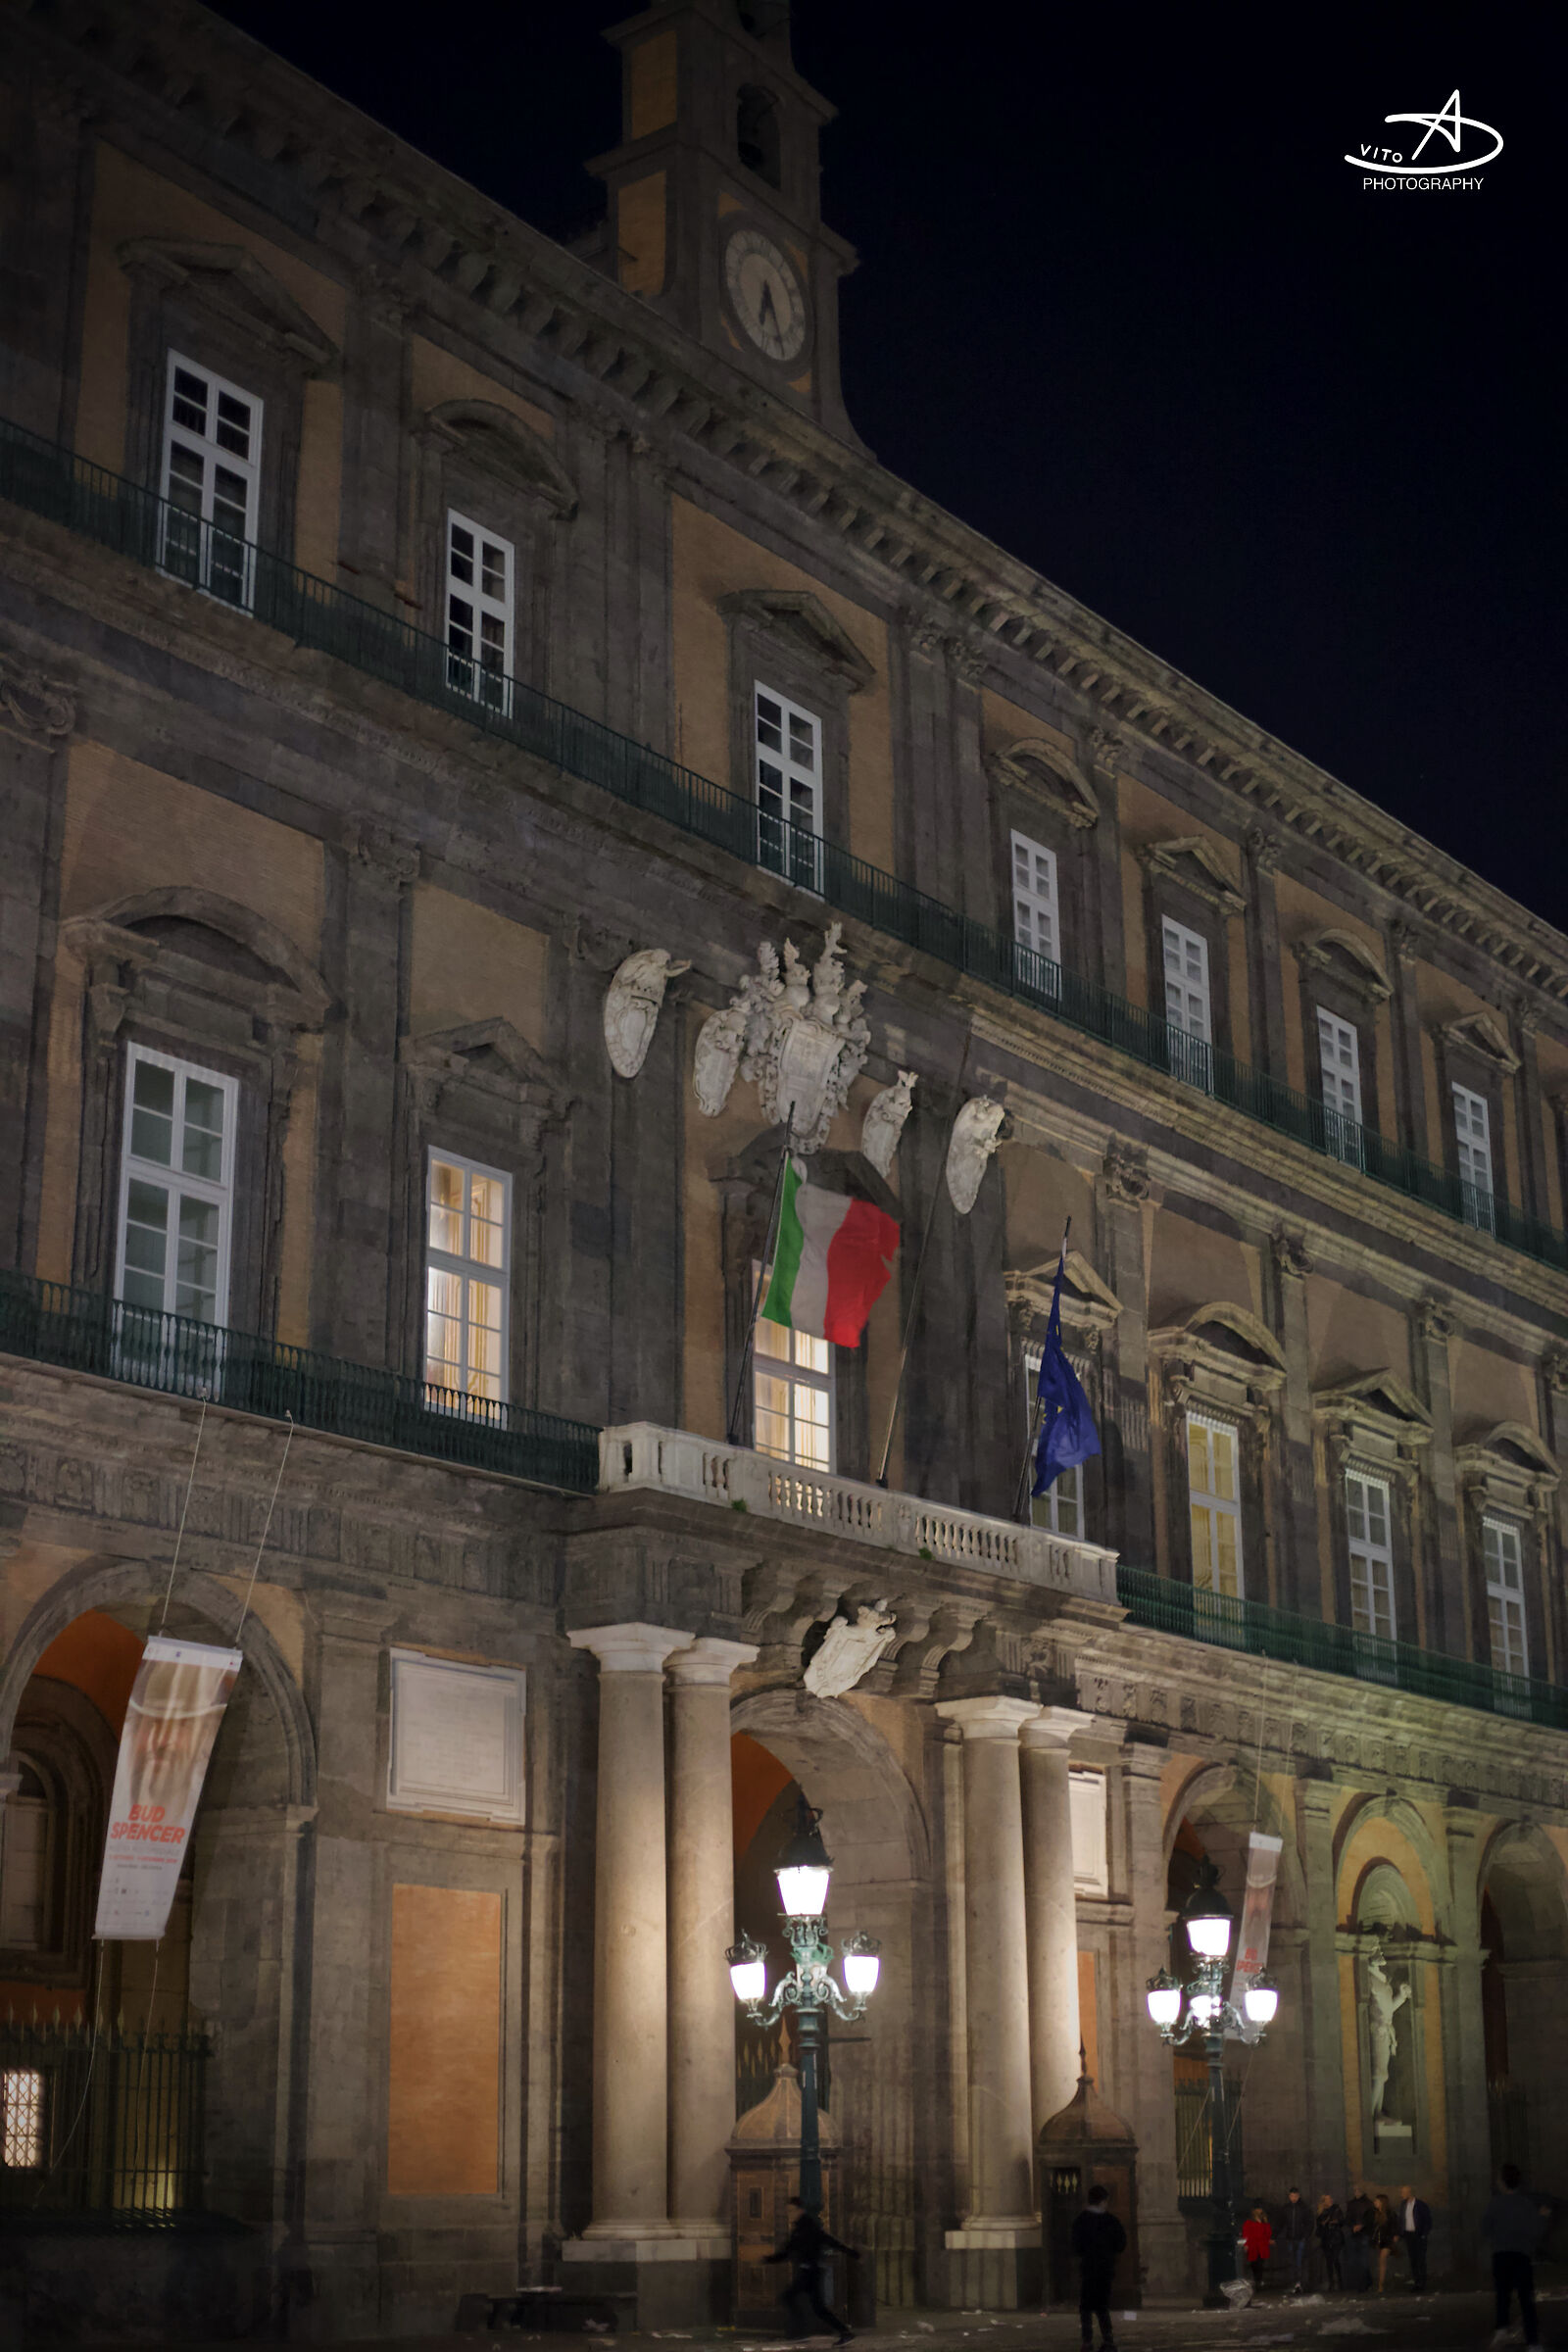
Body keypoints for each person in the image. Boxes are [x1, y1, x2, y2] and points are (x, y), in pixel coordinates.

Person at [764, 2196, 858, 2345]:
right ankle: (844, 2332)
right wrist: (768, 2259)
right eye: (787, 2211)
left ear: (800, 2210)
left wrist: (851, 2252)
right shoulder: (799, 2229)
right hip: (808, 2272)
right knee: (818, 2308)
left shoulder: (809, 2227)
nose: (789, 2213)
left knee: (790, 2297)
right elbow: (788, 2251)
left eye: (791, 2210)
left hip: (811, 2272)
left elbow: (829, 2240)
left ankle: (801, 2331)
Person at [1482, 2161, 1550, 2352]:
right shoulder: (1526, 2204)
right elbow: (1536, 2232)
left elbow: (1485, 2228)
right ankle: (1533, 2342)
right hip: (1522, 2255)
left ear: (1502, 2182)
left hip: (1501, 2254)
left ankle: (1501, 2330)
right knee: (1526, 2299)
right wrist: (1543, 2216)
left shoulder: (1495, 2204)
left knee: (1503, 2296)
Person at [1070, 2181, 1127, 2352]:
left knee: (1086, 2307)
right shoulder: (1111, 2221)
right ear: (1103, 2201)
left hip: (1088, 2268)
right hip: (1105, 2268)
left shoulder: (1081, 2221)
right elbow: (1121, 2244)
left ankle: (1087, 2341)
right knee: (1102, 2306)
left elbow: (1076, 2246)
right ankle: (1108, 2340)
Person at [1398, 2183, 1432, 2292]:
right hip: (1409, 2235)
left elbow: (1427, 2220)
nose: (1401, 2194)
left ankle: (1422, 2283)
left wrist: (1423, 2234)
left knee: (1420, 2259)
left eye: (1403, 2192)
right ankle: (1417, 2282)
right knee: (1413, 2259)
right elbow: (1402, 2219)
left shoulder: (1420, 2205)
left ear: (1410, 2192)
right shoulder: (1403, 2205)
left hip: (1418, 2235)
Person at [1279, 2187, 1313, 2294]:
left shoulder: (1304, 2208)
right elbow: (1281, 2223)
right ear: (1289, 2196)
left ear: (1298, 2196)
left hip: (1300, 2239)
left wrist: (1305, 2236)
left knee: (1299, 2262)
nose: (1293, 2198)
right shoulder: (1286, 2208)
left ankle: (1299, 2284)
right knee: (1291, 2262)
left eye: (1295, 2196)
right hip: (1290, 2239)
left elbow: (1310, 2223)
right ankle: (1294, 2284)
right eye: (1292, 2196)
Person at [1344, 2184, 1373, 2290]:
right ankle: (1363, 2282)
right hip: (1354, 2234)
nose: (1356, 2192)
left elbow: (1371, 2219)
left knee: (1363, 2260)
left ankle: (1364, 2283)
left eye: (1358, 2190)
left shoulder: (1368, 2203)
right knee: (1355, 2260)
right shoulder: (1351, 2204)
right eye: (1355, 2190)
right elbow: (1347, 2219)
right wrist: (1353, 2227)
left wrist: (1362, 2225)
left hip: (1364, 2234)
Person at [1315, 2194, 1346, 2290]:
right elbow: (1320, 2225)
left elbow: (1341, 2221)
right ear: (1324, 2201)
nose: (1330, 2200)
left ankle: (1340, 2282)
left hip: (1336, 2238)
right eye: (1328, 2199)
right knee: (1329, 2261)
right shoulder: (1321, 2212)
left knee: (1335, 2259)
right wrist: (1325, 2222)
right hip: (1326, 2238)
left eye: (1331, 2199)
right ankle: (1331, 2283)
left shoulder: (1336, 2209)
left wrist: (1336, 2221)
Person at [1242, 2203, 1273, 2292]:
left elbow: (1268, 2233)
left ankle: (1258, 2282)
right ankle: (1256, 2282)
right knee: (1255, 2265)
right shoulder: (1249, 2222)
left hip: (1261, 2246)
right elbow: (1246, 2233)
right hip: (1253, 2246)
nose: (1259, 2211)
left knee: (1260, 2265)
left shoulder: (1264, 2221)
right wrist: (1246, 2244)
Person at [1371, 2192, 1397, 2292]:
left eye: (1376, 2201)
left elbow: (1395, 2226)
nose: (1374, 2202)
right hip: (1380, 2241)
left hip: (1388, 2241)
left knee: (1382, 2260)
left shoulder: (1390, 2214)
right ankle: (1387, 2283)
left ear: (1381, 2202)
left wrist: (1395, 2236)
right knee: (1382, 2263)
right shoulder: (1377, 2214)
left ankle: (1380, 2286)